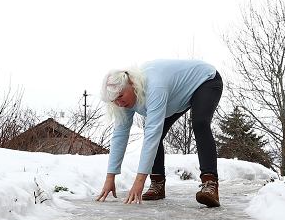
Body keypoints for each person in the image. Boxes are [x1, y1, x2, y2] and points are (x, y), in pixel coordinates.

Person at [95, 59, 223, 207]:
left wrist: (139, 182)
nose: (119, 103)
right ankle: (158, 184)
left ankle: (210, 184)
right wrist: (110, 178)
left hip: (206, 80)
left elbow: (152, 134)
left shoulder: (154, 85)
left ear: (131, 83)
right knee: (156, 133)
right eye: (114, 101)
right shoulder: (124, 99)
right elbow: (120, 135)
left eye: (121, 96)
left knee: (200, 123)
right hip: (176, 97)